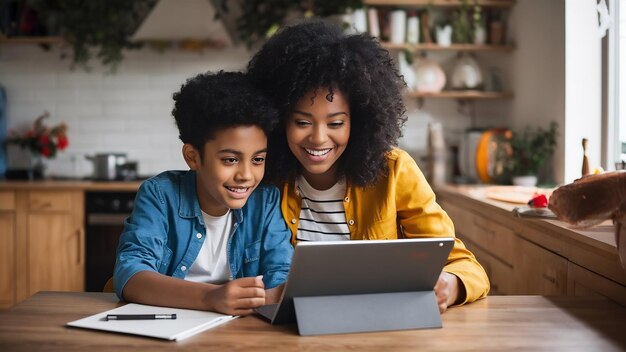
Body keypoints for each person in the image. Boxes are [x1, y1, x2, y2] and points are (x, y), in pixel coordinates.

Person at [247, 21, 490, 313]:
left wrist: (450, 284)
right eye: (302, 122)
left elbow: (465, 265)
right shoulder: (265, 175)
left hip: (378, 327)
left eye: (336, 123)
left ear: (359, 121)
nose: (318, 138)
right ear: (279, 120)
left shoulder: (395, 171)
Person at [113, 71, 293, 316]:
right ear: (193, 157)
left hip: (239, 332)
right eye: (230, 159)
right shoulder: (160, 195)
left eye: (258, 159)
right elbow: (131, 274)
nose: (247, 175)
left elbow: (281, 276)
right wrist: (210, 297)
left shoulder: (265, 200)